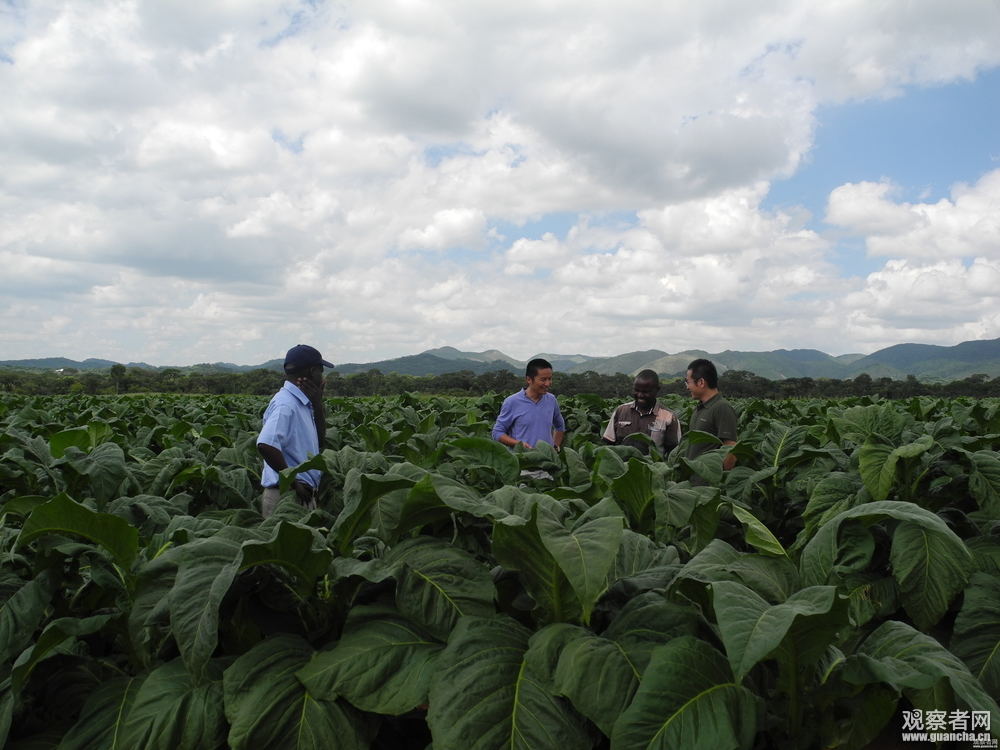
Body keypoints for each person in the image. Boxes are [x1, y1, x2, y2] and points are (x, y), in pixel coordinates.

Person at [257, 344, 334, 517]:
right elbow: (265, 445)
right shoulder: (286, 404)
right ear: (311, 372)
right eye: (321, 371)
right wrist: (294, 483)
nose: (322, 377)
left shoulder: (302, 403)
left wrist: (317, 404)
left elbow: (319, 443)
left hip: (297, 495)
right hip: (286, 497)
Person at [491, 358, 565, 450]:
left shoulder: (551, 400)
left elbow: (560, 426)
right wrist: (518, 444)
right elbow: (497, 433)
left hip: (547, 461)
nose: (547, 383)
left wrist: (555, 447)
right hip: (523, 460)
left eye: (549, 379)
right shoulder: (512, 402)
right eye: (543, 380)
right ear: (529, 379)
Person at [602, 369, 680, 455]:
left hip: (651, 467)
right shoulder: (621, 410)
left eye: (645, 392)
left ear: (657, 390)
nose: (640, 395)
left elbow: (673, 451)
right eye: (636, 390)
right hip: (621, 466)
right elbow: (608, 442)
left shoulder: (669, 417)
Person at [684, 358, 738, 471]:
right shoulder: (699, 408)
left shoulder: (722, 407)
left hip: (708, 485)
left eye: (688, 382)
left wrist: (718, 480)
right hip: (694, 483)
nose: (687, 387)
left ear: (701, 382)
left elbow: (731, 450)